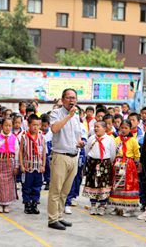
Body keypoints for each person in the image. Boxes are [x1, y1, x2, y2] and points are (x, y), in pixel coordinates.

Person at [47, 88, 83, 230]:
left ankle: (60, 216)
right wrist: (68, 116)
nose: (71, 100)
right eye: (68, 97)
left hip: (73, 156)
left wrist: (79, 141)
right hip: (60, 156)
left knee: (65, 191)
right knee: (55, 190)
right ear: (62, 100)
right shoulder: (56, 113)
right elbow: (55, 129)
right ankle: (52, 219)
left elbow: (77, 134)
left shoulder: (76, 116)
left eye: (74, 97)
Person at [83, 121, 116, 215]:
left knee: (103, 185)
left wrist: (107, 163)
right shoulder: (91, 139)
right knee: (92, 183)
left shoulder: (109, 139)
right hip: (92, 163)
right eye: (95, 127)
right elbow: (87, 151)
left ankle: (102, 206)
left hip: (105, 164)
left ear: (105, 128)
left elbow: (112, 154)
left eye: (98, 127)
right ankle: (93, 205)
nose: (96, 128)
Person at [109, 119, 140, 217]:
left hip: (129, 166)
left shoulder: (133, 141)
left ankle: (128, 208)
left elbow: (137, 154)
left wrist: (137, 164)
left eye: (126, 128)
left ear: (130, 129)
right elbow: (113, 151)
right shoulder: (117, 139)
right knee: (116, 185)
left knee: (128, 186)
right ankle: (117, 206)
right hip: (118, 164)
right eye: (122, 127)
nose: (123, 130)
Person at [19, 114, 46, 214]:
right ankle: (27, 204)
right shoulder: (24, 137)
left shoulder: (42, 137)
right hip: (28, 167)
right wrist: (21, 165)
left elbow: (43, 152)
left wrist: (43, 165)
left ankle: (34, 203)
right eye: (34, 125)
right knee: (27, 186)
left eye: (38, 125)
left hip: (38, 168)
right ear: (28, 125)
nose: (36, 127)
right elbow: (21, 152)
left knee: (37, 186)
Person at [41, 113, 52, 191]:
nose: (43, 128)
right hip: (39, 153)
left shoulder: (51, 133)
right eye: (42, 126)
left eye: (45, 126)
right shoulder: (38, 132)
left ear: (48, 125)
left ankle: (48, 181)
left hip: (48, 154)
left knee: (48, 168)